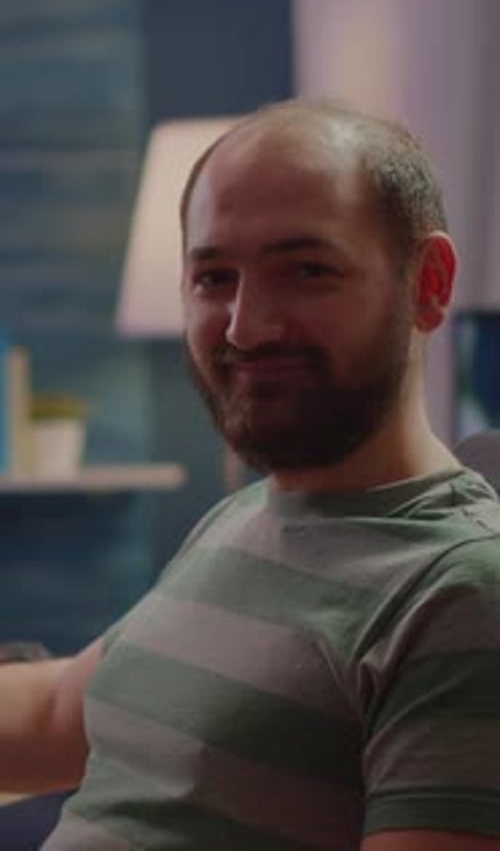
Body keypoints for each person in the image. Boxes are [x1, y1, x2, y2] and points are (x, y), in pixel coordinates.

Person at [1, 97, 500, 851]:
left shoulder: (459, 591)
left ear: (426, 283)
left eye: (306, 270)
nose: (247, 326)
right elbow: (57, 718)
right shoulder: (243, 518)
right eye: (214, 278)